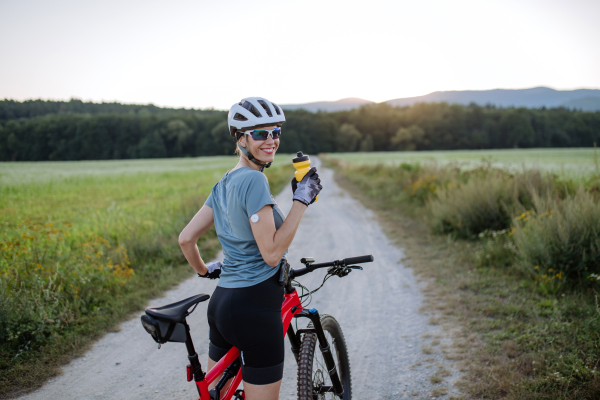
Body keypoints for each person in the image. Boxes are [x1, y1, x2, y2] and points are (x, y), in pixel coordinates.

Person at [178, 97, 322, 400]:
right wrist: (302, 201)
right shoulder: (255, 181)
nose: (270, 140)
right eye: (260, 133)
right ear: (241, 138)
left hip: (222, 307)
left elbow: (186, 239)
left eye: (276, 132)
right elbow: (271, 254)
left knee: (218, 394)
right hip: (255, 307)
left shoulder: (224, 183)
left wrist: (205, 270)